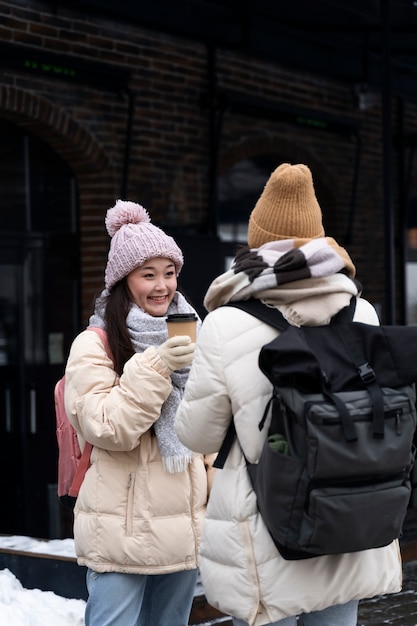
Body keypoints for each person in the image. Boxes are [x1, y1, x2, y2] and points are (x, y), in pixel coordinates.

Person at [175, 163, 402, 626]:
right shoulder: (365, 312)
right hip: (351, 512)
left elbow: (197, 436)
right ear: (319, 240)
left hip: (268, 525)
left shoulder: (225, 323)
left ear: (257, 241)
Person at [64, 199, 209, 626]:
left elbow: (209, 421)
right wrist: (159, 365)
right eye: (148, 275)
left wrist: (213, 475)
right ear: (123, 282)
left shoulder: (190, 328)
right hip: (120, 529)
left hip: (182, 525)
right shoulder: (93, 343)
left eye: (170, 273)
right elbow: (108, 426)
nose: (162, 285)